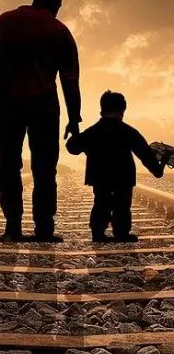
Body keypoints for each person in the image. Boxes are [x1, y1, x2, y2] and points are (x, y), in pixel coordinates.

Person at [0, 0, 81, 243]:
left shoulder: (5, 21)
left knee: (8, 162)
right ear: (57, 5)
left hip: (9, 104)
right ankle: (44, 227)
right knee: (45, 167)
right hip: (45, 107)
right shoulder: (60, 30)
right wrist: (74, 118)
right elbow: (70, 78)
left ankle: (12, 227)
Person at [66, 90, 169, 242]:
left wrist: (79, 139)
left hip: (100, 175)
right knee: (122, 205)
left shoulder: (94, 131)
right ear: (123, 110)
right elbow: (145, 153)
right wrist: (158, 169)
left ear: (102, 109)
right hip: (124, 176)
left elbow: (72, 147)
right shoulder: (128, 131)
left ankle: (98, 234)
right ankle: (121, 233)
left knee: (101, 203)